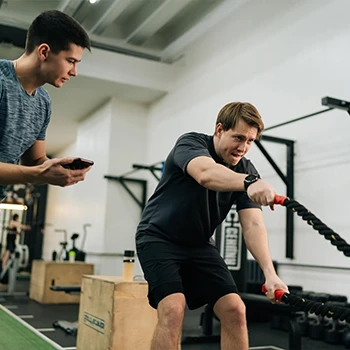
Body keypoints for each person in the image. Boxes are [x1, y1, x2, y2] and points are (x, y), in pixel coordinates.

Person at [135, 102, 289, 350]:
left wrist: (270, 275)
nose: (243, 147)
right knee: (173, 308)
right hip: (159, 238)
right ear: (219, 129)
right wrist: (249, 182)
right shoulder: (191, 143)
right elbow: (206, 174)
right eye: (238, 137)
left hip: (200, 245)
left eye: (250, 141)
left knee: (235, 309)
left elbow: (252, 225)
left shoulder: (245, 170)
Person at [0, 10, 92, 203]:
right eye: (71, 61)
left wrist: (55, 167)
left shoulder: (43, 103)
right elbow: (34, 171)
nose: (74, 72)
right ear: (44, 52)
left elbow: (34, 162)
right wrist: (38, 174)